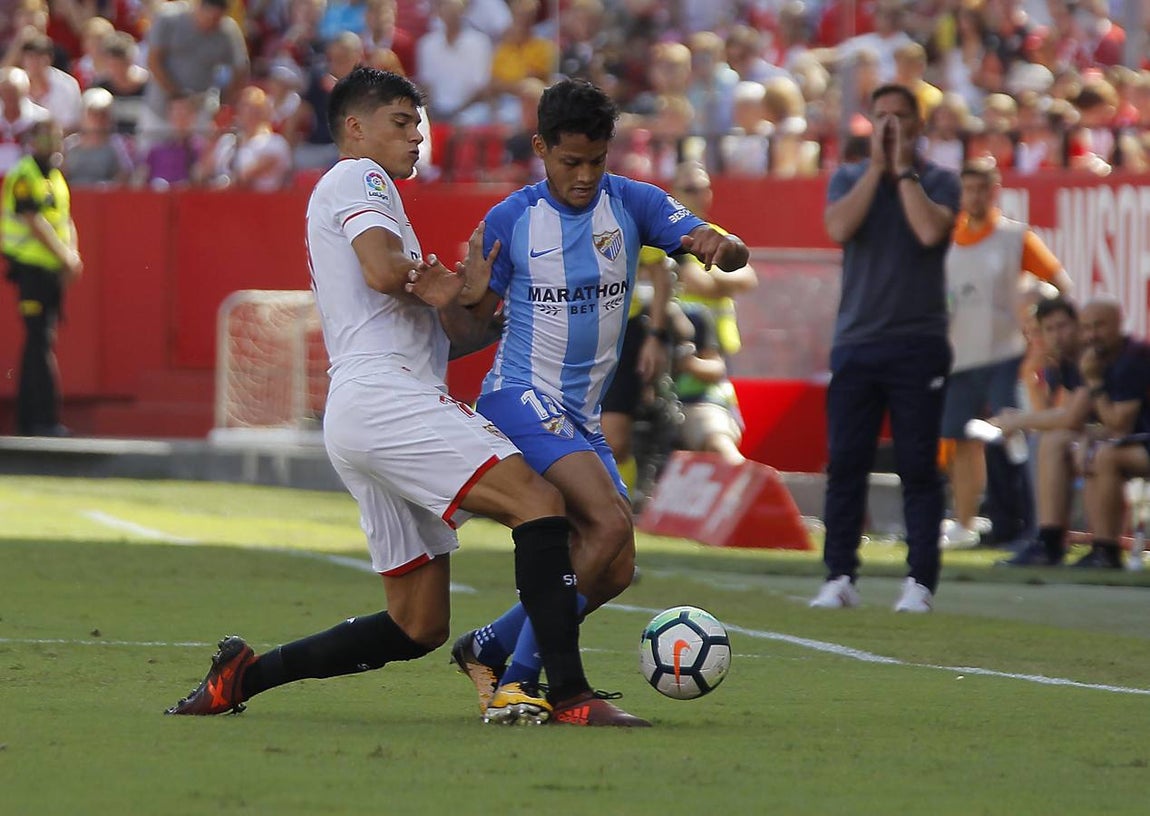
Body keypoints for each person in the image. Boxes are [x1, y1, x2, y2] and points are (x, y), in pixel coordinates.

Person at [165, 67, 627, 727]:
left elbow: (436, 327)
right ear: (355, 127)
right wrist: (435, 280)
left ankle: (243, 676)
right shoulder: (360, 177)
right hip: (386, 396)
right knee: (539, 502)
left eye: (420, 123)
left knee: (418, 624)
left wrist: (475, 300)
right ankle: (569, 696)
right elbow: (386, 274)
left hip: (366, 406)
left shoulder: (366, 199)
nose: (418, 137)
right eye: (401, 122)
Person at [434, 78, 748, 721]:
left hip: (580, 413)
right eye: (569, 162)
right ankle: (522, 682)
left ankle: (489, 645)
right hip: (519, 396)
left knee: (613, 566)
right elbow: (465, 335)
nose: (582, 176)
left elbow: (712, 241)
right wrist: (460, 297)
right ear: (541, 148)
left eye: (595, 162)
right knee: (606, 526)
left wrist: (723, 245)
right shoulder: (511, 221)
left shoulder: (633, 203)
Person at [810, 84, 961, 614]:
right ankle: (839, 575)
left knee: (918, 466)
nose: (890, 126)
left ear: (919, 127)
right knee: (846, 463)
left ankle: (919, 581)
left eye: (900, 117)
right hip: (856, 342)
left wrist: (900, 170)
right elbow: (837, 227)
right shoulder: (850, 177)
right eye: (881, 117)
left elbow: (928, 231)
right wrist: (876, 168)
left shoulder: (940, 181)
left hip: (918, 344)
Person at [939, 159, 1071, 550]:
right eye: (969, 189)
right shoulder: (947, 238)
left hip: (1004, 352)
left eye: (983, 189)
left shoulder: (1015, 237)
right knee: (958, 438)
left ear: (995, 191)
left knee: (1005, 435)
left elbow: (1059, 284)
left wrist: (1038, 318)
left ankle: (1015, 521)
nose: (975, 197)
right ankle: (965, 522)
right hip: (959, 353)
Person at [993, 298, 1150, 568]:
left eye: (1064, 326)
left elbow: (1084, 419)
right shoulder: (1075, 361)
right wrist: (1031, 375)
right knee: (1055, 441)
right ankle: (1049, 540)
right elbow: (1067, 420)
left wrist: (1018, 420)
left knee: (1096, 454)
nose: (1091, 335)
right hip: (1125, 439)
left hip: (1136, 441)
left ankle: (1105, 548)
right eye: (1049, 329)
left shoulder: (1128, 357)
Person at [1, 117, 83, 437]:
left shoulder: (55, 177)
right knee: (39, 341)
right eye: (47, 138)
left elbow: (65, 220)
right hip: (30, 269)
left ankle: (33, 420)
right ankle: (41, 419)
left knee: (40, 341)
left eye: (56, 138)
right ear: (33, 142)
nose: (53, 145)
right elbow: (34, 221)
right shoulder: (24, 174)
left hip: (49, 270)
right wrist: (66, 258)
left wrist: (72, 257)